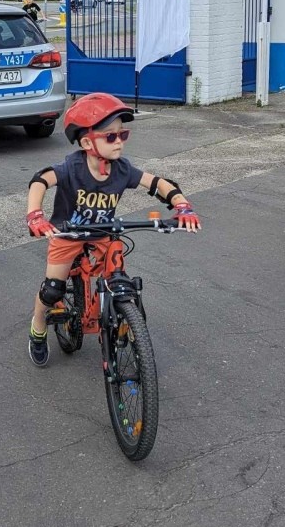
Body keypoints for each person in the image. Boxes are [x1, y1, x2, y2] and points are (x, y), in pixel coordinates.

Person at [23, 92, 201, 367]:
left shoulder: (122, 170)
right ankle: (38, 328)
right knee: (53, 290)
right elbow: (41, 180)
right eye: (110, 136)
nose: (118, 142)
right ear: (85, 142)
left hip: (105, 233)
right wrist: (36, 215)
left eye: (122, 134)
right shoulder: (73, 167)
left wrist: (182, 205)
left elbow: (157, 183)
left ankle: (121, 321)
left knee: (120, 280)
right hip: (68, 234)